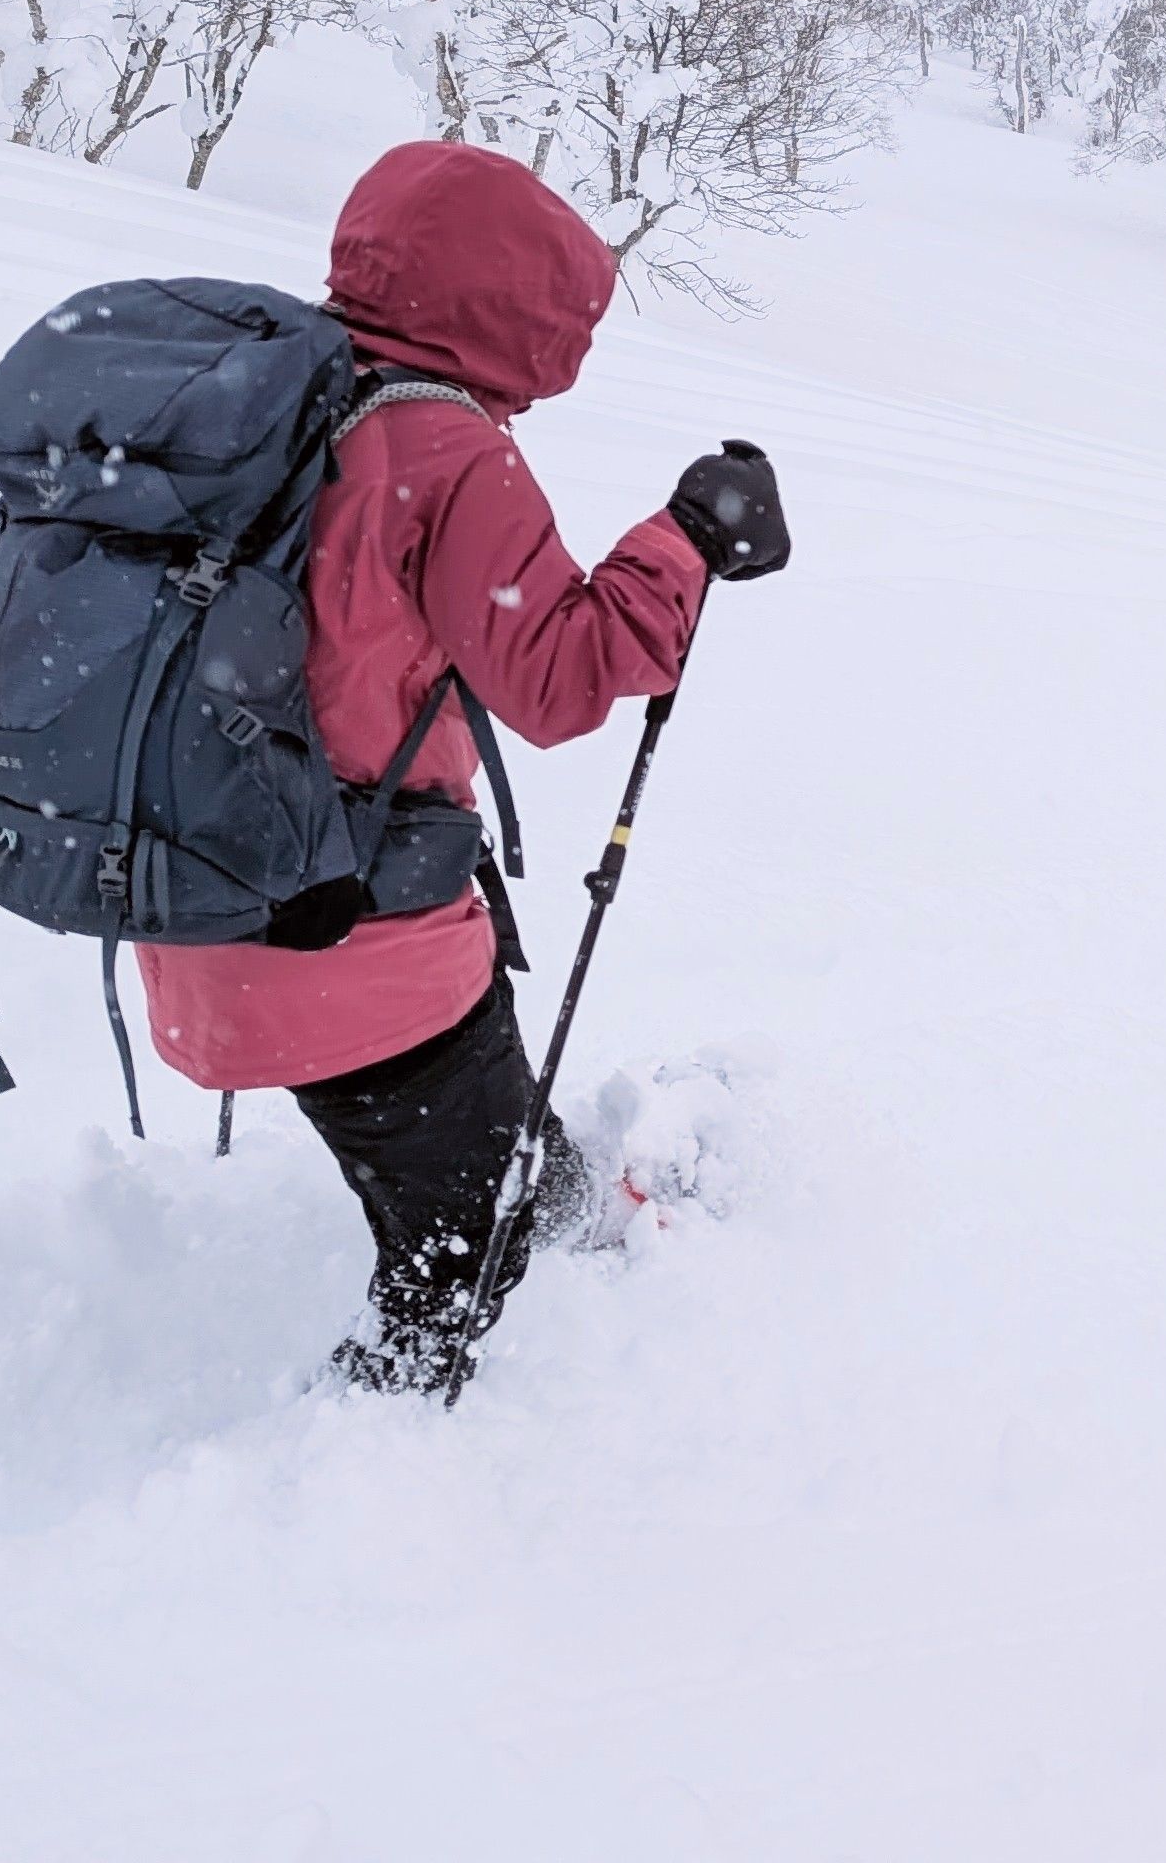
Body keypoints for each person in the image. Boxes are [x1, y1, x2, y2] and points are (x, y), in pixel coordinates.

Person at [135, 140, 789, 1395]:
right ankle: (368, 1451)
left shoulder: (258, 399)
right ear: (515, 310)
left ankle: (576, 1192)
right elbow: (559, 680)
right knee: (460, 1243)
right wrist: (691, 539)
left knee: (445, 1146)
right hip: (356, 940)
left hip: (200, 901)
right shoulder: (437, 449)